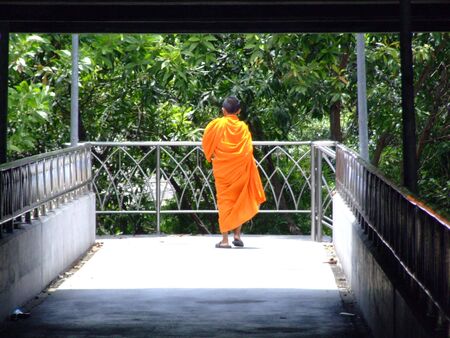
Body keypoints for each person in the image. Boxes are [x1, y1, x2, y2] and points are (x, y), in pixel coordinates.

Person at [202, 96, 266, 248]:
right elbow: (248, 149)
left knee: (224, 202)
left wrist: (212, 155)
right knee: (240, 199)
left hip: (223, 170)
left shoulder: (217, 125)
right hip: (240, 169)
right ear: (239, 111)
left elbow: (206, 142)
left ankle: (225, 240)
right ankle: (237, 235)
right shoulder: (243, 127)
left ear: (223, 110)